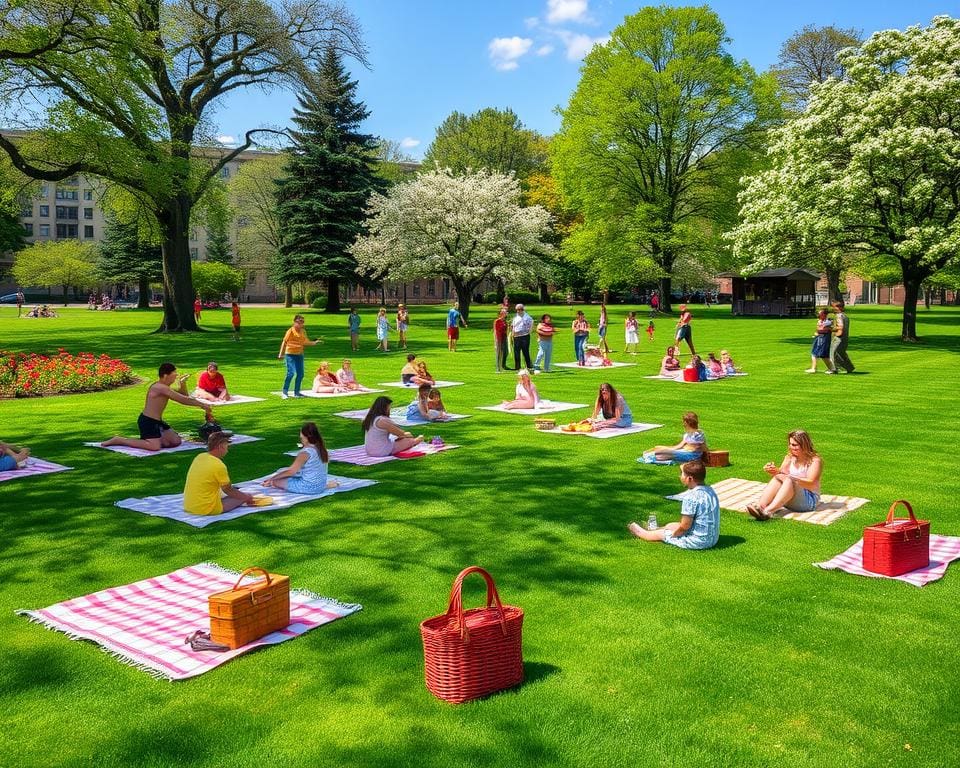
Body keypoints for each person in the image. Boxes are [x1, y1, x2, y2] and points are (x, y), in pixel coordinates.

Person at [102, 362, 211, 451]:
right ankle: (119, 440)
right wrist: (202, 405)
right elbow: (182, 400)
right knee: (154, 447)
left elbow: (183, 395)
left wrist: (182, 384)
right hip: (147, 421)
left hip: (158, 421)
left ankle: (156, 438)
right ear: (165, 375)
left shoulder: (165, 388)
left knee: (176, 441)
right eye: (174, 375)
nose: (175, 377)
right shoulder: (160, 387)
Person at [628, 460, 720, 550]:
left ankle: (638, 530)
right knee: (670, 525)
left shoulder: (690, 498)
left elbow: (685, 526)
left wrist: (674, 535)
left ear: (690, 478)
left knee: (661, 534)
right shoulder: (710, 491)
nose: (680, 476)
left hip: (697, 542)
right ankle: (656, 528)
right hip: (712, 539)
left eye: (682, 474)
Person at [747, 430, 823, 521]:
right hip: (788, 499)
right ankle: (761, 506)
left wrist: (789, 477)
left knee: (788, 479)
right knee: (779, 477)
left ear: (804, 445)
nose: (791, 447)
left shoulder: (814, 460)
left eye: (795, 445)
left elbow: (812, 484)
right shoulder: (789, 458)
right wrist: (774, 471)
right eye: (790, 444)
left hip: (808, 502)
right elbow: (781, 478)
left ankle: (768, 511)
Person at [183, 432, 255, 515]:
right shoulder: (218, 465)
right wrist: (247, 497)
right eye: (227, 447)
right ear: (221, 446)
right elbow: (228, 490)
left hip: (189, 506)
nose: (227, 451)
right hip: (206, 509)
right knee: (243, 496)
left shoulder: (199, 457)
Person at [263, 422, 335, 494]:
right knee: (283, 472)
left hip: (308, 487)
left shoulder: (305, 452)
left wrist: (272, 479)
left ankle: (272, 482)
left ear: (305, 436)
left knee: (276, 481)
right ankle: (327, 485)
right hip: (321, 486)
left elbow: (291, 471)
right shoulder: (321, 448)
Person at [278, 314, 322, 399]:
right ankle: (284, 392)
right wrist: (281, 354)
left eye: (302, 322)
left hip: (299, 355)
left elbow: (305, 342)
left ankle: (297, 392)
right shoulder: (290, 331)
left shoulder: (303, 331)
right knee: (290, 373)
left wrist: (314, 343)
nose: (301, 324)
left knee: (300, 374)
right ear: (294, 322)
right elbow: (284, 342)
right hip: (290, 354)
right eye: (299, 322)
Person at [640, 412, 707, 464]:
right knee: (658, 450)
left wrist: (686, 447)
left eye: (684, 422)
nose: (683, 424)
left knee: (659, 453)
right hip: (685, 453)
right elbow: (679, 446)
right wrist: (664, 448)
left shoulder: (698, 434)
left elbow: (697, 448)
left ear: (687, 423)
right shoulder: (687, 434)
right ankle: (656, 456)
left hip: (692, 456)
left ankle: (662, 460)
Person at [806, 309, 836, 374]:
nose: (818, 315)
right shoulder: (820, 321)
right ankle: (814, 368)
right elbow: (819, 329)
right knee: (814, 353)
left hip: (824, 339)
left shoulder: (828, 322)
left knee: (823, 355)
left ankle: (832, 369)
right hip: (819, 339)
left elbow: (824, 330)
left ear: (825, 315)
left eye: (820, 314)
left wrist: (820, 330)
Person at [830, 300, 855, 374]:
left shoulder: (839, 316)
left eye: (833, 307)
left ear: (838, 307)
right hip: (845, 338)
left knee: (833, 353)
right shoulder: (845, 316)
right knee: (842, 353)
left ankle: (834, 369)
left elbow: (840, 327)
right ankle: (850, 367)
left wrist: (831, 328)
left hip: (839, 337)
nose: (833, 308)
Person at [510, 303, 534, 369]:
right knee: (516, 352)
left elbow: (532, 323)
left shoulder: (527, 317)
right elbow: (513, 326)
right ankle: (517, 367)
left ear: (522, 309)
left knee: (525, 351)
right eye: (517, 310)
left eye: (519, 309)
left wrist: (529, 331)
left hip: (525, 336)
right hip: (516, 337)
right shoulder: (515, 317)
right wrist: (512, 333)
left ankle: (529, 365)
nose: (518, 311)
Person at [493, 307, 509, 372]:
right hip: (498, 339)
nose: (506, 313)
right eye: (505, 312)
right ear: (501, 313)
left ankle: (502, 365)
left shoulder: (505, 321)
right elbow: (495, 331)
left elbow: (506, 331)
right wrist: (495, 342)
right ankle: (498, 369)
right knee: (498, 353)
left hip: (504, 338)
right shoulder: (497, 321)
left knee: (505, 352)